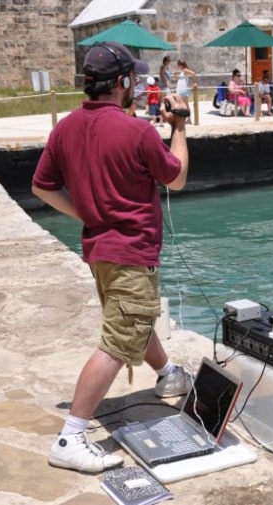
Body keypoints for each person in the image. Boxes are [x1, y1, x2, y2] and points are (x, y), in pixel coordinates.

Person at [31, 42, 191, 474]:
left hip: (99, 251)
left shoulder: (65, 128)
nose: (137, 84)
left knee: (132, 320)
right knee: (118, 342)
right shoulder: (135, 131)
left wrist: (84, 211)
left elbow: (42, 186)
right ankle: (72, 436)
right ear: (121, 83)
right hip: (131, 251)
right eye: (133, 79)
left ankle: (169, 374)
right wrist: (179, 127)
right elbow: (176, 178)